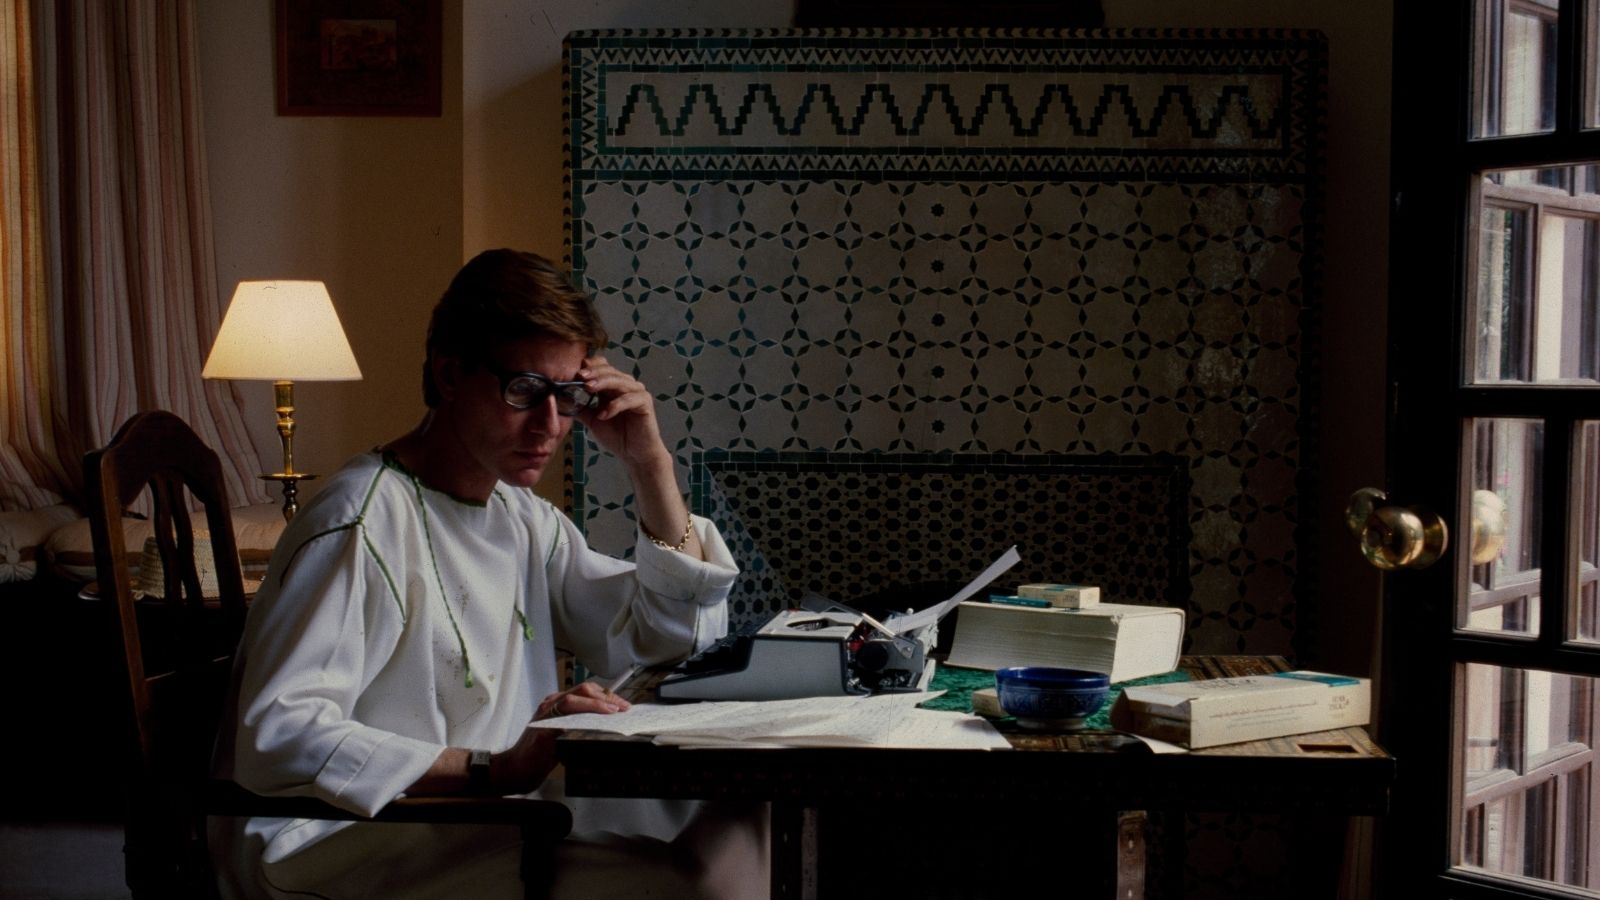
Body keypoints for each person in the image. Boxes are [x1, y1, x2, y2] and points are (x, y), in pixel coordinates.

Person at [212, 249, 766, 899]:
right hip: (346, 838)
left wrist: (650, 463)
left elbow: (665, 643)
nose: (550, 426)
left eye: (567, 396)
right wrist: (495, 766)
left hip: (488, 810)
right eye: (525, 391)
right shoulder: (361, 522)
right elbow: (280, 734)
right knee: (702, 881)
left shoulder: (519, 517)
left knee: (756, 817)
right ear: (450, 374)